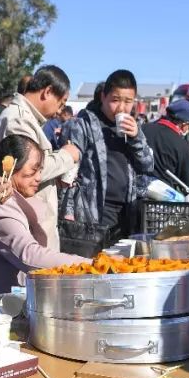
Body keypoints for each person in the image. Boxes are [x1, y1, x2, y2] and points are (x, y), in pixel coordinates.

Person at [0, 136, 89, 303]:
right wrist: (90, 265)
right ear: (10, 168)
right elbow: (30, 255)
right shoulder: (0, 208)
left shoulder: (8, 199)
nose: (39, 177)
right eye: (33, 170)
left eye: (40, 170)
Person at [59, 69, 155, 248]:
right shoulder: (82, 124)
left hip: (126, 211)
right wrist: (68, 211)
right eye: (115, 100)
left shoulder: (133, 128)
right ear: (103, 96)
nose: (121, 108)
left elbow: (148, 166)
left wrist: (137, 138)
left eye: (128, 101)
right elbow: (68, 173)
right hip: (93, 211)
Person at [0, 66, 77, 251]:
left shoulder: (27, 119)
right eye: (61, 103)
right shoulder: (18, 120)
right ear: (47, 92)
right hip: (26, 228)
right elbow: (26, 170)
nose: (60, 111)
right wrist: (67, 156)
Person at [142, 99, 189, 190]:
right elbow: (188, 186)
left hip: (136, 191)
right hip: (163, 196)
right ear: (184, 124)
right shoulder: (184, 147)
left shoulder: (142, 129)